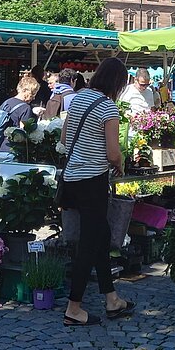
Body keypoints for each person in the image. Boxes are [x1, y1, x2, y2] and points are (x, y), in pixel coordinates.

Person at [59, 57, 135, 327]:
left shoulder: (79, 97)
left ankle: (112, 299)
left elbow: (64, 138)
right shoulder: (108, 107)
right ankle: (73, 308)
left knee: (100, 236)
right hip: (93, 182)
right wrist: (119, 163)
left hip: (72, 179)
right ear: (118, 83)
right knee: (89, 244)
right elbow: (113, 153)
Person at [0, 76, 39, 162]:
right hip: (9, 151)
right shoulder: (25, 108)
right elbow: (23, 133)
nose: (33, 98)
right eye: (33, 94)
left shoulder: (6, 103)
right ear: (26, 90)